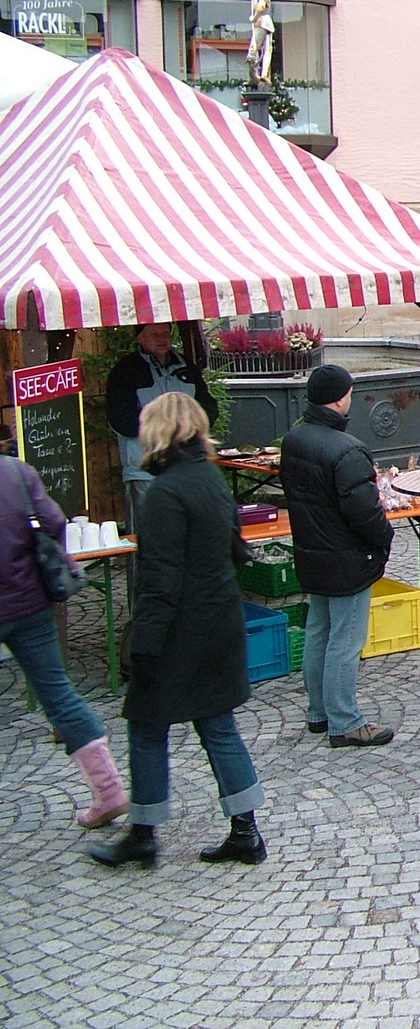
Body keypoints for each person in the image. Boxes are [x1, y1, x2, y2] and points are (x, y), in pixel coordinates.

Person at [90, 393, 268, 869]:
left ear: (159, 431)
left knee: (148, 727)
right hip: (220, 620)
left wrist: (143, 646)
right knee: (218, 727)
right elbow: (235, 549)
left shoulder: (165, 493)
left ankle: (144, 836)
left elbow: (158, 579)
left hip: (179, 631)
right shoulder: (211, 477)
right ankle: (245, 830)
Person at [1, 446, 129, 831]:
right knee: (58, 692)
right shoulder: (16, 472)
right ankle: (109, 792)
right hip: (30, 603)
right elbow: (55, 524)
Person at [280, 363, 397, 748]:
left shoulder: (294, 439)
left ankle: (319, 712)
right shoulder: (346, 450)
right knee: (345, 641)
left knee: (319, 632)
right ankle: (345, 720)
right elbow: (365, 513)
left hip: (313, 553)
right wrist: (385, 537)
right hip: (346, 559)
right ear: (339, 398)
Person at [106, 322, 218, 531]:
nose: (162, 338)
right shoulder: (125, 371)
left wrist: (193, 429)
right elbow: (121, 420)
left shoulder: (186, 367)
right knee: (146, 538)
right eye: (155, 334)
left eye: (165, 333)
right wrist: (168, 427)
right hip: (145, 471)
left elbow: (208, 407)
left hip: (187, 467)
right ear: (140, 338)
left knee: (187, 533)